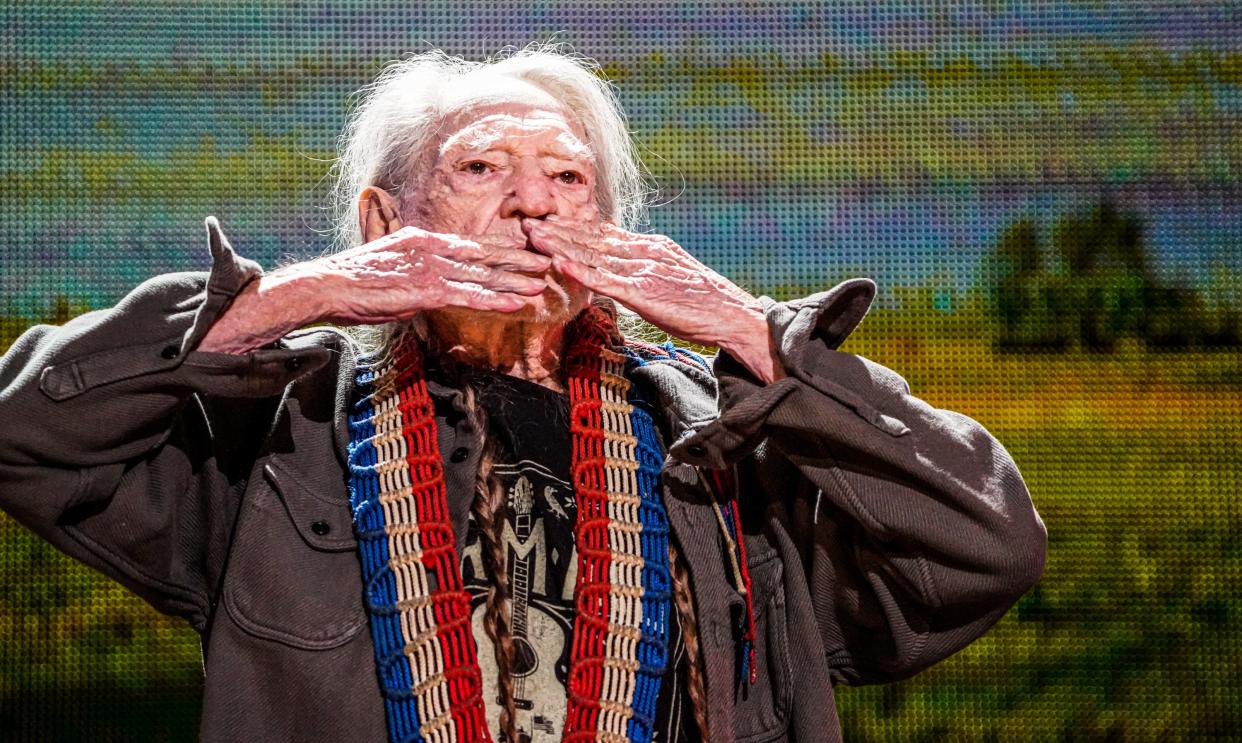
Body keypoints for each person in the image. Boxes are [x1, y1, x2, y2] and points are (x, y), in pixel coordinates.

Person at [0, 45, 1046, 743]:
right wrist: (299, 294)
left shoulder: (723, 443)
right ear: (386, 220)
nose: (534, 200)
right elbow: (24, 432)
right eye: (482, 167)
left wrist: (747, 330)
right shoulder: (282, 433)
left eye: (570, 178)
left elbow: (988, 545)